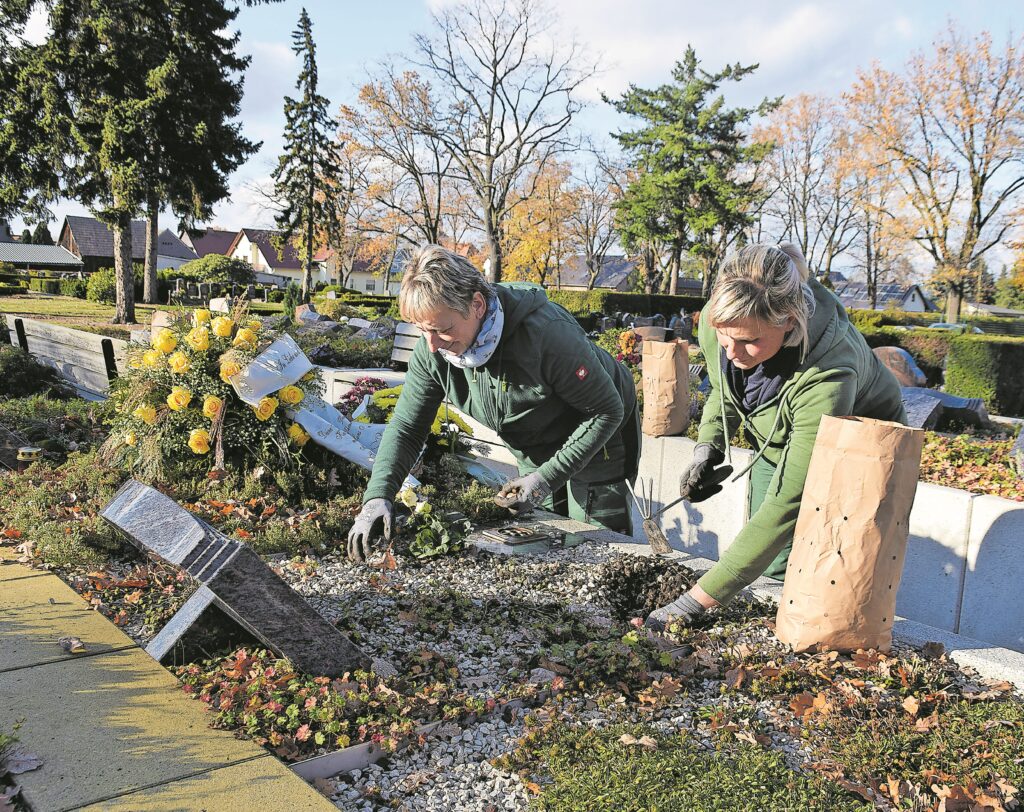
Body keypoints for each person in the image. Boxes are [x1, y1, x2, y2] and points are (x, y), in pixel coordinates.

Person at [646, 243, 905, 631]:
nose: (732, 351)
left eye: (750, 341)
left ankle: (798, 632)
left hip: (858, 451)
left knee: (825, 557)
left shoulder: (828, 375)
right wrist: (708, 447)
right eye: (724, 338)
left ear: (788, 321)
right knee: (773, 552)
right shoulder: (722, 322)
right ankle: (775, 612)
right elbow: (723, 388)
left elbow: (788, 502)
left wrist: (691, 603)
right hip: (779, 438)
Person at [348, 244, 640, 561]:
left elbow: (606, 411)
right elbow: (406, 427)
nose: (431, 345)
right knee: (545, 536)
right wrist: (378, 496)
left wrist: (545, 478)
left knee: (596, 546)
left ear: (476, 304)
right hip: (534, 440)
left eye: (442, 330)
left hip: (601, 434)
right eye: (422, 331)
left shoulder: (547, 334)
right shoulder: (433, 353)